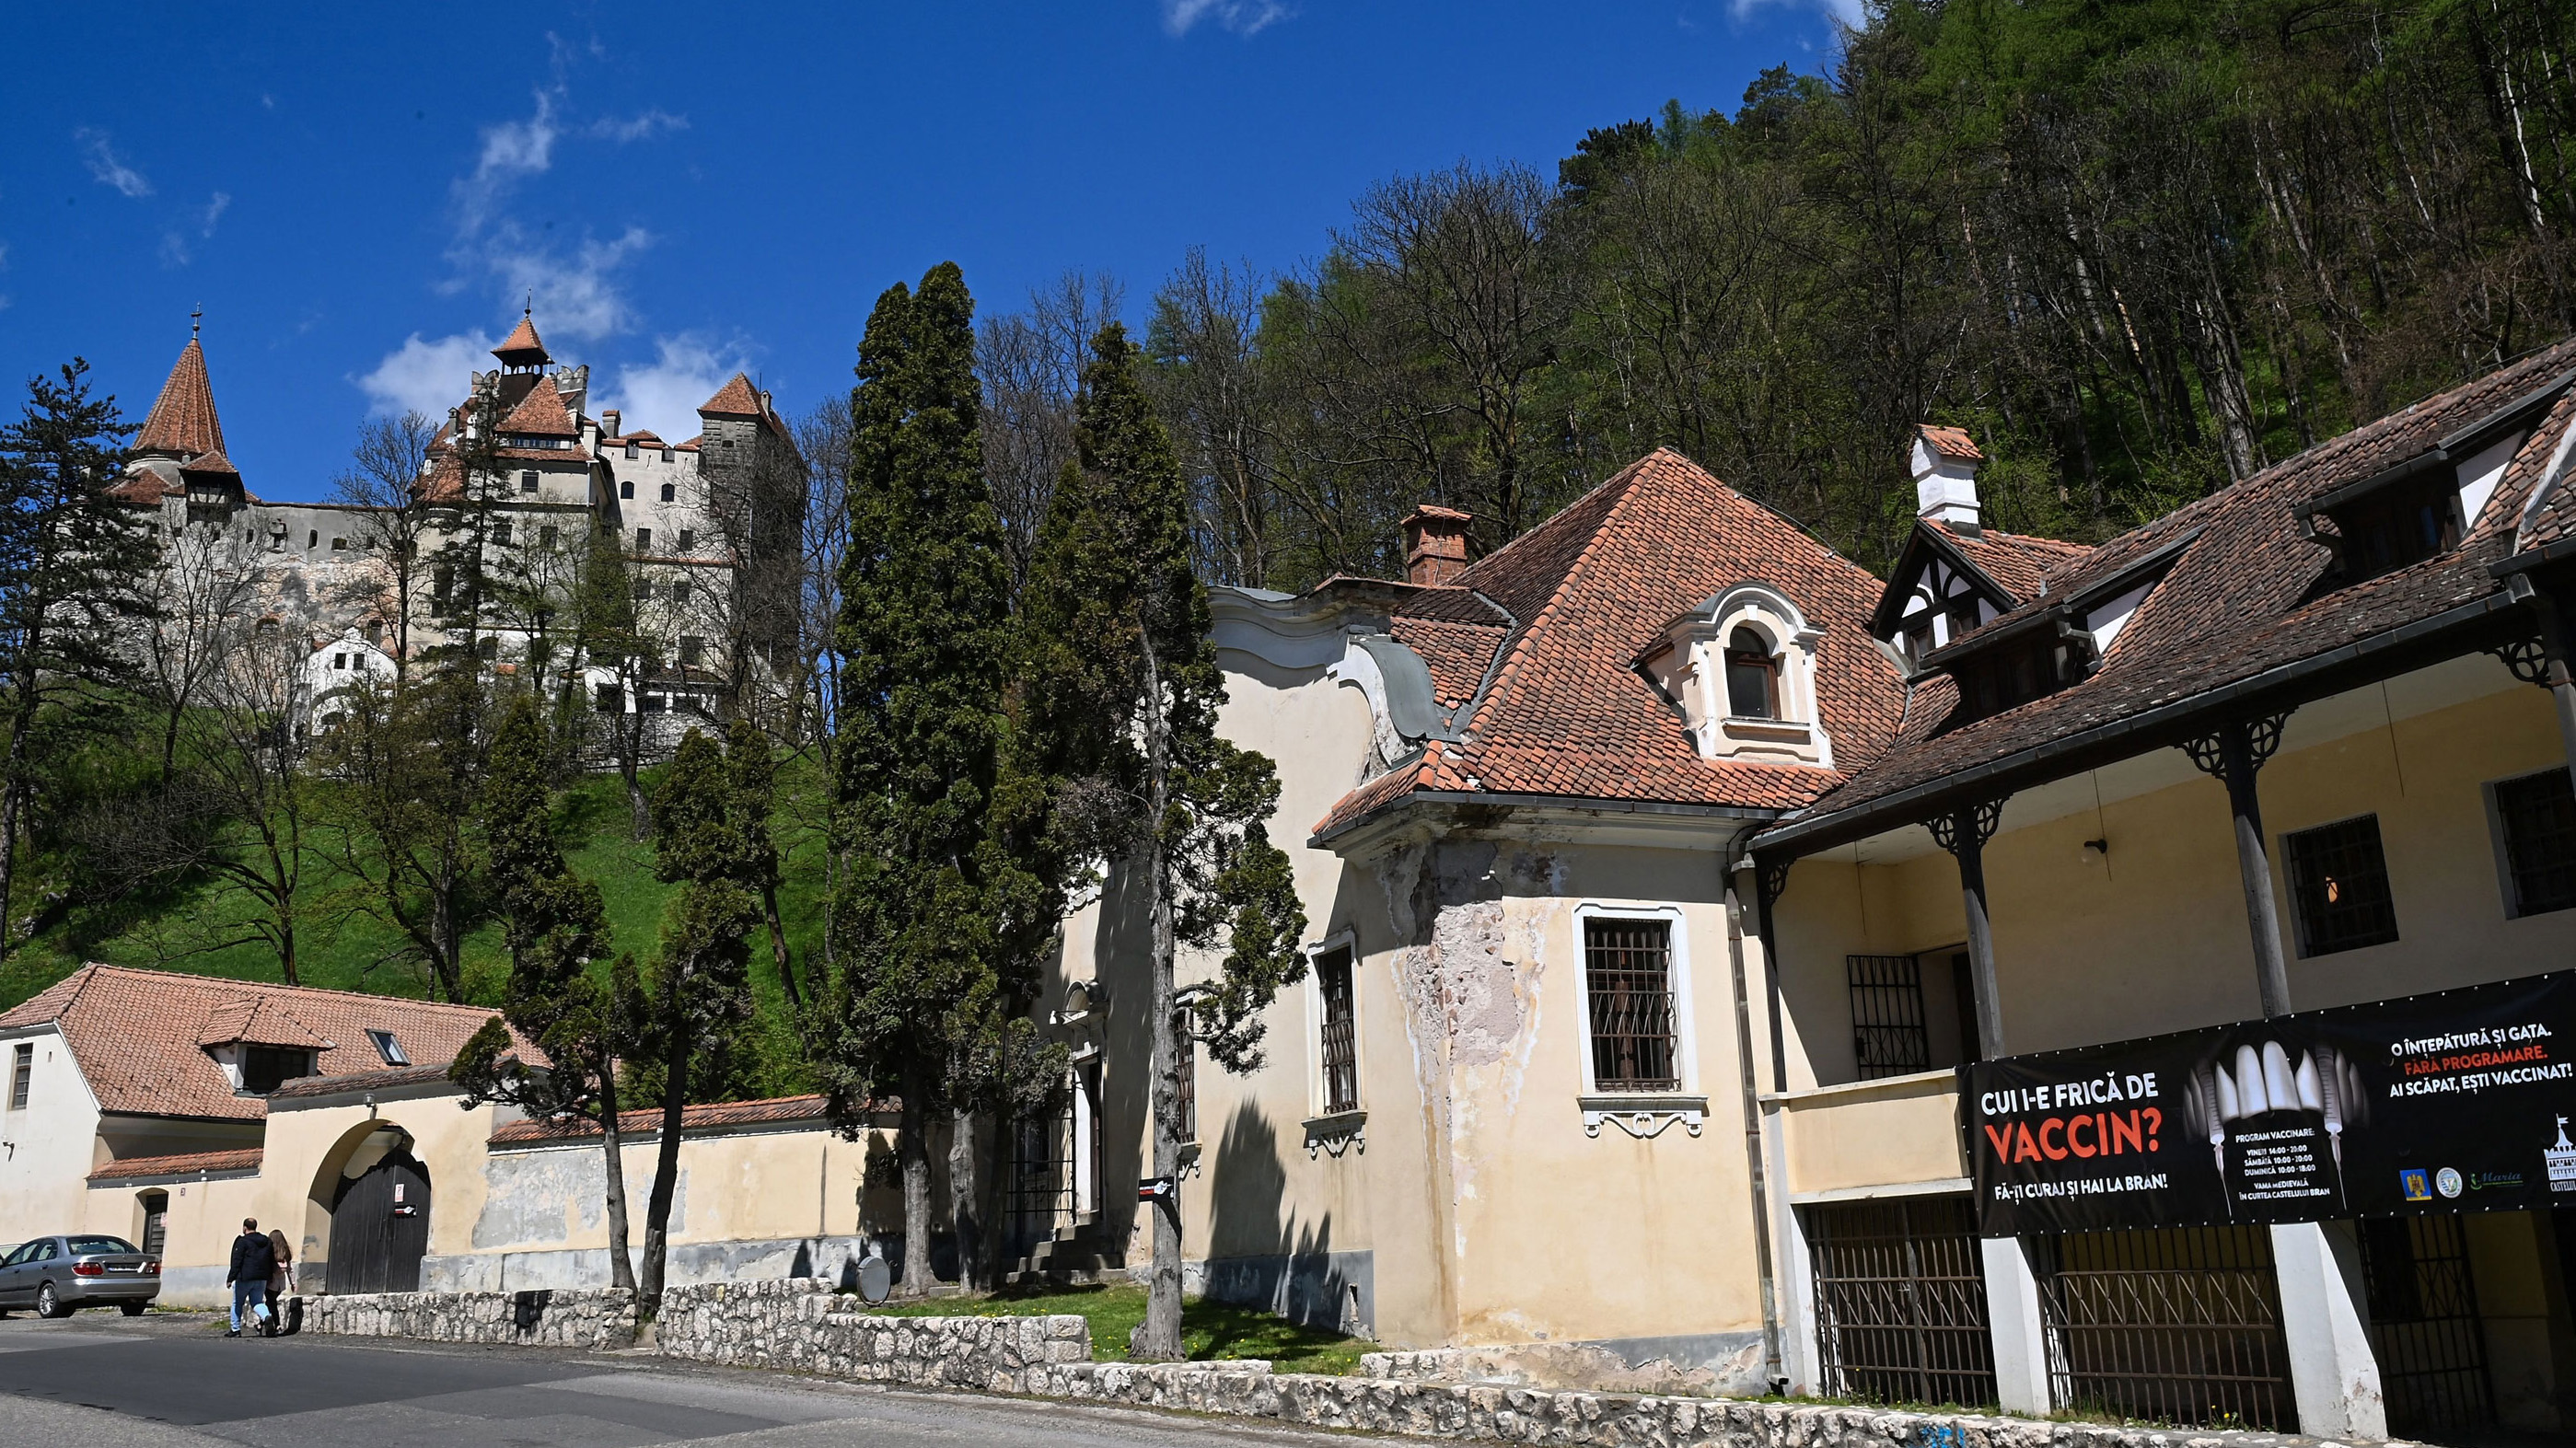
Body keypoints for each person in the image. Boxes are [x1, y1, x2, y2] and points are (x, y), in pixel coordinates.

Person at [225, 1218, 276, 1338]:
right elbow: (270, 1260)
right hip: (261, 1277)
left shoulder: (242, 1242)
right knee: (257, 1302)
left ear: (244, 1227)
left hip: (245, 1277)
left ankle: (235, 1329)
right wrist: (269, 1276)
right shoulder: (267, 1241)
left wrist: (230, 1278)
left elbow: (237, 1261)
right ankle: (266, 1316)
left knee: (237, 1303)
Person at [265, 1229, 295, 1333]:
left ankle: (274, 1325)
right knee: (271, 1303)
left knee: (271, 1304)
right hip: (280, 1284)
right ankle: (269, 1324)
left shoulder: (269, 1252)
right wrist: (293, 1283)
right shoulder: (286, 1253)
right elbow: (290, 1269)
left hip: (270, 1282)